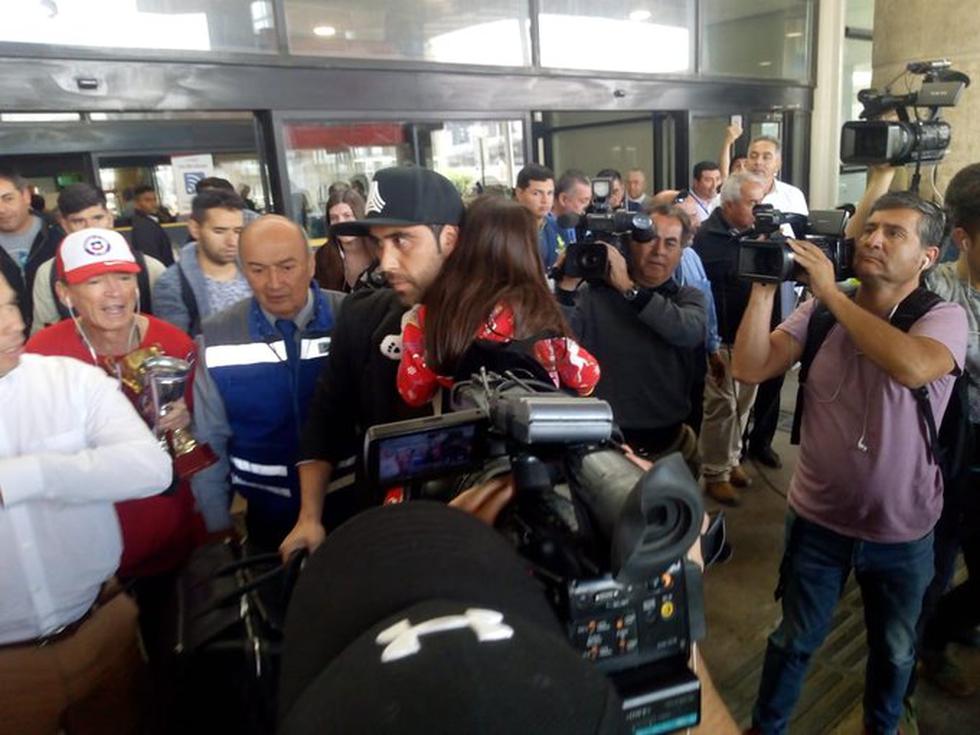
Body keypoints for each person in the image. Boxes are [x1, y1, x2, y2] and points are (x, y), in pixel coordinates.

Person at [733, 191, 968, 735]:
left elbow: (911, 366)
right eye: (872, 229)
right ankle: (766, 728)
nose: (873, 239)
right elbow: (749, 366)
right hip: (817, 521)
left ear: (927, 258)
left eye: (894, 234)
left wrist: (833, 296)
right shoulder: (819, 310)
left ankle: (880, 728)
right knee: (792, 641)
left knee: (893, 650)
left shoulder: (944, 317)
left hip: (903, 531)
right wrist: (764, 286)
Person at [0, 270, 173, 735]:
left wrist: (28, 475)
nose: (13, 325)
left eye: (11, 305)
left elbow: (150, 469)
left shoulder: (72, 382)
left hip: (101, 630)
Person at [279, 166, 465, 561]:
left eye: (402, 240)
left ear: (448, 239)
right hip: (383, 528)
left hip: (470, 537)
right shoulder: (363, 315)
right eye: (380, 244)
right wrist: (309, 518)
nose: (386, 262)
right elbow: (327, 417)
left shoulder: (498, 328)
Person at [26, 228, 205, 580]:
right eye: (94, 281)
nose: (114, 292)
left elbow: (208, 438)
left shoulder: (175, 345)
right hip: (86, 553)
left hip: (172, 536)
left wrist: (189, 422)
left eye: (124, 277)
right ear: (65, 294)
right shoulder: (42, 356)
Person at [191, 215, 346, 548]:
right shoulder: (217, 336)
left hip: (352, 504)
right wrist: (218, 523)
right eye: (258, 270)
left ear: (311, 263)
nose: (274, 283)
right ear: (243, 271)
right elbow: (209, 439)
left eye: (287, 267)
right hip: (267, 517)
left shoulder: (353, 318)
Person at [398, 196, 599, 408]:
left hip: (464, 436)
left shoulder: (430, 315)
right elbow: (587, 378)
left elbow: (413, 393)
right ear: (528, 252)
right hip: (530, 434)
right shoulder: (539, 315)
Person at [558, 204, 706, 476]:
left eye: (670, 243)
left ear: (681, 253)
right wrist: (566, 287)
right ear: (628, 243)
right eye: (648, 238)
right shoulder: (593, 296)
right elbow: (558, 345)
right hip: (605, 446)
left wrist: (628, 288)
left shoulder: (688, 298)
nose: (659, 250)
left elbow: (687, 331)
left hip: (671, 444)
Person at [916, 163, 980, 697]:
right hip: (952, 453)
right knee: (935, 567)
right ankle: (921, 653)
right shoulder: (936, 291)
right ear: (963, 237)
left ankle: (949, 622)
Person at [693, 171, 767, 505]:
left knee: (744, 404)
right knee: (721, 407)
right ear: (730, 203)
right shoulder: (707, 238)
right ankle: (714, 472)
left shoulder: (760, 232)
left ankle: (732, 459)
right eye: (753, 202)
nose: (760, 208)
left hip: (753, 336)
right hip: (721, 336)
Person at [31, 183, 167, 334]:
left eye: (97, 218)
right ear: (65, 226)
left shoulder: (151, 268)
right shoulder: (48, 273)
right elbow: (46, 337)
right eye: (78, 221)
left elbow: (166, 332)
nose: (90, 227)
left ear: (110, 219)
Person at [152, 188, 249, 336]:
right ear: (195, 229)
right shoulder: (172, 285)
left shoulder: (258, 270)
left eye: (238, 231)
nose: (232, 241)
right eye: (219, 231)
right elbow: (180, 347)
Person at [0, 166, 62, 331]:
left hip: (58, 336)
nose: (1, 209)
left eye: (8, 198)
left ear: (26, 196)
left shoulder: (58, 233)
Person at [315, 187, 377, 292]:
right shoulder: (323, 256)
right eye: (334, 218)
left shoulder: (378, 250)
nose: (341, 222)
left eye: (347, 216)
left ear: (360, 216)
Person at [514, 163, 564, 270]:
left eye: (550, 193)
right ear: (519, 193)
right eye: (537, 193)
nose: (545, 200)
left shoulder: (557, 226)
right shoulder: (506, 231)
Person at [123, 184, 175, 266]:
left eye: (154, 200)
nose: (153, 204)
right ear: (137, 204)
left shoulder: (154, 220)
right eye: (147, 200)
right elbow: (151, 258)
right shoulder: (143, 227)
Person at [552, 169, 591, 244]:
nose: (584, 211)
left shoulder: (571, 222)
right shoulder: (543, 227)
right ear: (563, 199)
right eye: (583, 201)